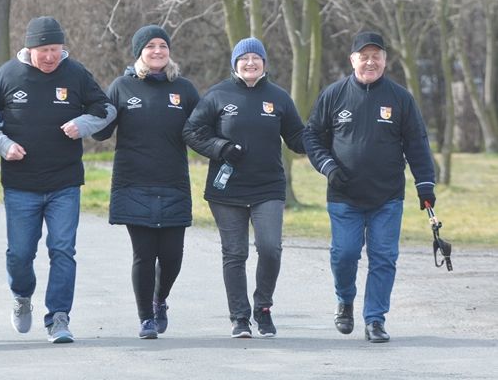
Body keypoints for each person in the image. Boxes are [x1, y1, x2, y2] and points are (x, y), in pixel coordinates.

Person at [0, 16, 116, 344]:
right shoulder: (9, 74)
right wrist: (3, 145)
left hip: (64, 182)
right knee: (20, 254)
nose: (50, 56)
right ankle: (22, 295)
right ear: (29, 49)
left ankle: (59, 317)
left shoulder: (76, 73)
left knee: (62, 250)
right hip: (20, 184)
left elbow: (106, 109)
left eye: (55, 49)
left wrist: (82, 124)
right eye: (44, 50)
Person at [303, 31, 436, 343]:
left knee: (384, 257)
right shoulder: (333, 95)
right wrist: (328, 167)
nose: (370, 62)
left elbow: (417, 144)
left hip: (387, 196)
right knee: (344, 254)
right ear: (353, 60)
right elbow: (311, 136)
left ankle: (375, 319)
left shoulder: (401, 98)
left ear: (385, 61)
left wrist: (425, 186)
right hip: (344, 195)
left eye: (376, 56)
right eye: (364, 57)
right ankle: (345, 300)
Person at [183, 37, 306, 338]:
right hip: (227, 190)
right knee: (235, 253)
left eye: (256, 58)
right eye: (244, 59)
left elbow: (297, 138)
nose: (250, 63)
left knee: (270, 248)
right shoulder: (217, 95)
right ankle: (240, 317)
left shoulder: (278, 97)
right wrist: (221, 148)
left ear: (264, 63)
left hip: (268, 187)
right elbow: (192, 131)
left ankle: (263, 308)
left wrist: (326, 136)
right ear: (235, 64)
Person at [92, 25, 199, 339]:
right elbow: (101, 131)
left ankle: (159, 299)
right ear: (139, 52)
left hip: (173, 182)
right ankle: (146, 319)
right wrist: (88, 112)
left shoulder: (184, 89)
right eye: (150, 46)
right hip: (133, 182)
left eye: (162, 46)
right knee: (144, 254)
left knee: (172, 256)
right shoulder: (122, 87)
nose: (157, 51)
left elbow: (204, 128)